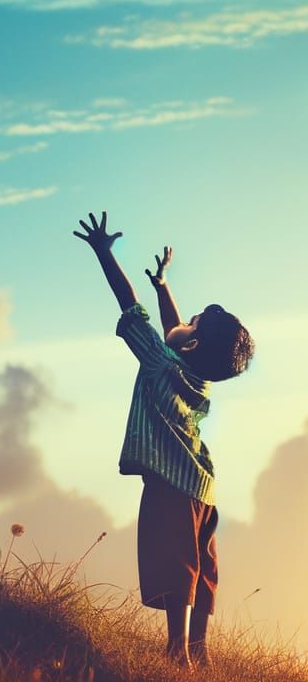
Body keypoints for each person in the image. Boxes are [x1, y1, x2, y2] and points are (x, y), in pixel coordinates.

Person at [73, 211, 255, 669]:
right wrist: (163, 286)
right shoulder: (197, 377)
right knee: (203, 568)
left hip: (172, 482)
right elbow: (177, 334)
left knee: (178, 567)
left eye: (191, 323)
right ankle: (199, 649)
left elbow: (129, 307)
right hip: (205, 490)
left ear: (189, 344)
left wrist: (104, 254)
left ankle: (177, 651)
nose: (181, 322)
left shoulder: (159, 362)